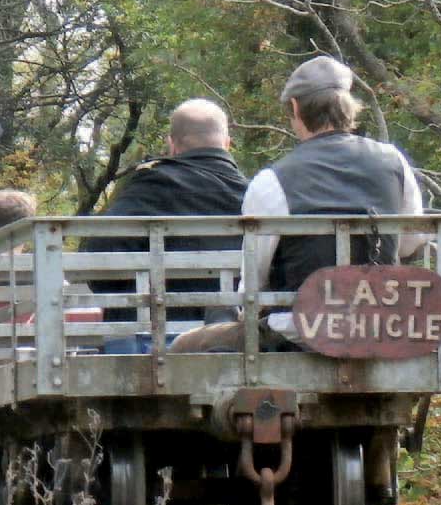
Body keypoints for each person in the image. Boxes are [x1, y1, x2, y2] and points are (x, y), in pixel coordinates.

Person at [172, 56, 425, 352]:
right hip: (379, 327)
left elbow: (253, 283)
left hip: (299, 331)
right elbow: (410, 243)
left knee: (184, 348)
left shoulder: (272, 180)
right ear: (348, 104)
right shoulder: (394, 161)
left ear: (295, 107)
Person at [84, 99, 248, 353]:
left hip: (149, 341)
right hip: (234, 340)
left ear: (172, 144)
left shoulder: (150, 186)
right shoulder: (253, 195)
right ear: (227, 144)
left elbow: (96, 260)